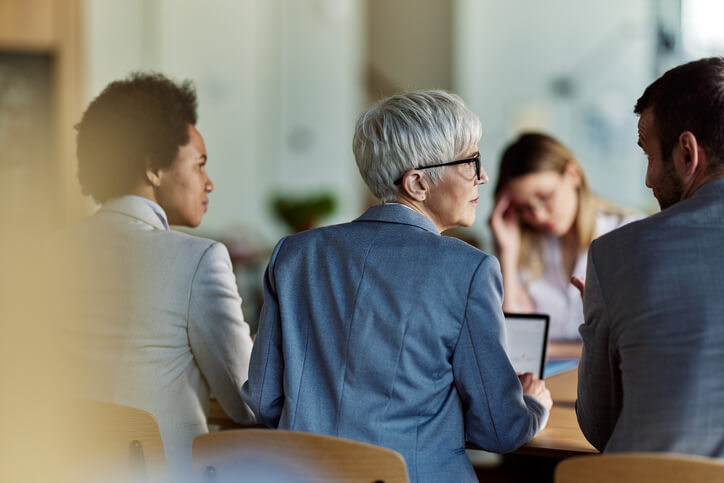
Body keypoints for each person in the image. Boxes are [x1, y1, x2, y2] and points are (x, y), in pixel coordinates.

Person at [242, 90, 551, 483]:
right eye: (471, 161)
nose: (483, 176)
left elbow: (263, 401)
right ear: (418, 183)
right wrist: (532, 405)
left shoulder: (294, 254)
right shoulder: (468, 270)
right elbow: (500, 428)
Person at [63, 72, 254, 480]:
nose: (209, 183)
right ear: (153, 167)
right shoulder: (199, 258)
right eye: (200, 165)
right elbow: (250, 401)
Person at [575, 57, 724, 455]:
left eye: (648, 155)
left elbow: (599, 426)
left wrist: (596, 322)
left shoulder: (616, 255)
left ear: (687, 153)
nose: (648, 180)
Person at [489, 133, 639, 341]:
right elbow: (513, 344)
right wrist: (507, 251)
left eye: (545, 197)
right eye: (524, 208)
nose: (539, 215)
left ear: (573, 174)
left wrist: (547, 349)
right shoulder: (526, 249)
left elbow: (630, 342)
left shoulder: (627, 234)